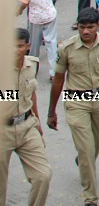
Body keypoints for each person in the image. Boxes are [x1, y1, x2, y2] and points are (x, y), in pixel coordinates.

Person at [48, 7, 99, 206]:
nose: (85, 32)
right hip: (76, 103)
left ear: (98, 26)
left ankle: (84, 161)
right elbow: (58, 81)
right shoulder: (66, 48)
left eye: (90, 27)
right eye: (82, 27)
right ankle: (90, 197)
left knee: (97, 142)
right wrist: (51, 111)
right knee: (86, 149)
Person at [0, 29, 51, 206]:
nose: (15, 50)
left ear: (28, 46)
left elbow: (32, 95)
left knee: (42, 176)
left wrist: (37, 121)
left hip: (27, 125)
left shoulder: (33, 65)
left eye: (20, 46)